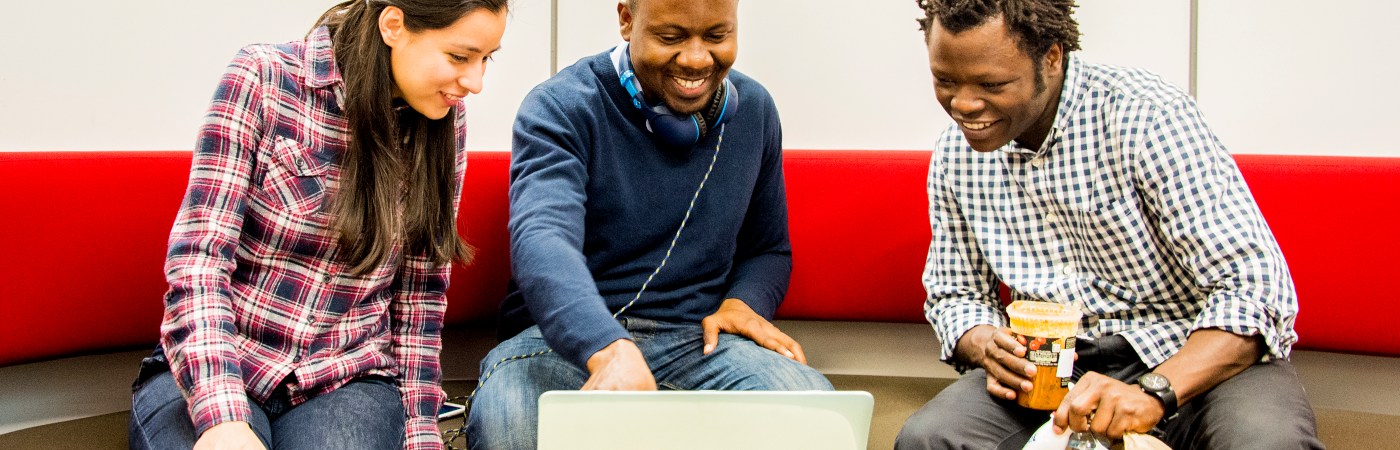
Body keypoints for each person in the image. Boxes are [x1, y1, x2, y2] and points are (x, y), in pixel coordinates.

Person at [896, 0, 1323, 448]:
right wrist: (982, 340)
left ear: (1052, 58)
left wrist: (1156, 390)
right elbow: (955, 293)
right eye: (945, 80)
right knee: (930, 438)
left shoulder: (1146, 116)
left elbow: (1253, 288)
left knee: (1267, 443)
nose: (962, 104)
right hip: (1053, 363)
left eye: (992, 83)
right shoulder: (954, 152)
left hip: (1190, 355)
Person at [127, 1, 507, 449]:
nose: (476, 82)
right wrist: (222, 416)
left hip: (346, 377)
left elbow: (419, 297)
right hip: (222, 359)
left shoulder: (443, 116)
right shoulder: (263, 78)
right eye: (460, 57)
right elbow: (200, 262)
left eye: (487, 59)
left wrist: (420, 433)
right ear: (393, 25)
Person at [463, 0, 833, 448]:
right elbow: (543, 241)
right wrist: (606, 347)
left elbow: (767, 249)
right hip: (562, 345)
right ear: (626, 19)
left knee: (815, 414)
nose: (697, 59)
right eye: (671, 37)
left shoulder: (753, 110)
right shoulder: (560, 106)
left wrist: (744, 303)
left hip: (699, 342)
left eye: (717, 36)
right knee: (511, 422)